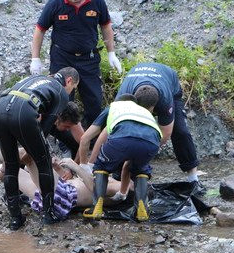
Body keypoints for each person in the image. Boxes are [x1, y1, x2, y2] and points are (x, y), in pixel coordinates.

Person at [0, 134, 130, 222]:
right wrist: (58, 168)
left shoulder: (119, 186)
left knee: (32, 153)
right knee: (15, 171)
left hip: (61, 199)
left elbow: (96, 192)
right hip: (59, 193)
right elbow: (76, 183)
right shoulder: (111, 179)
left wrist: (75, 166)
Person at [79, 62, 204, 193]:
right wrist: (91, 164)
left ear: (154, 108)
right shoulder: (124, 96)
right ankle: (120, 175)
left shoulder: (165, 99)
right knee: (123, 136)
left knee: (180, 131)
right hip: (138, 81)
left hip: (168, 83)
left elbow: (166, 133)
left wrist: (140, 156)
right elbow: (108, 129)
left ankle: (193, 178)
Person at [0, 67, 79, 230]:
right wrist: (33, 152)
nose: (70, 93)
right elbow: (45, 129)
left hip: (0, 109)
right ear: (68, 81)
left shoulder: (39, 78)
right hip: (23, 112)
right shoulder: (61, 92)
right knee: (44, 161)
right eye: (73, 88)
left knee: (11, 166)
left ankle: (15, 219)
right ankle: (49, 214)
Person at [30, 0, 122, 127]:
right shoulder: (55, 3)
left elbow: (106, 26)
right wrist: (35, 58)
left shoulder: (97, 1)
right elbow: (40, 30)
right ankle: (65, 143)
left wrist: (111, 53)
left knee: (94, 101)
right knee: (62, 102)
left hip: (88, 59)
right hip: (62, 59)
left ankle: (90, 140)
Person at [83, 89, 162, 222]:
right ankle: (141, 208)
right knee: (140, 168)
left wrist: (86, 165)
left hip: (122, 140)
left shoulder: (114, 107)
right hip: (152, 142)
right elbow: (127, 166)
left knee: (101, 166)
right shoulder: (143, 111)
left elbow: (87, 136)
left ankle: (96, 207)